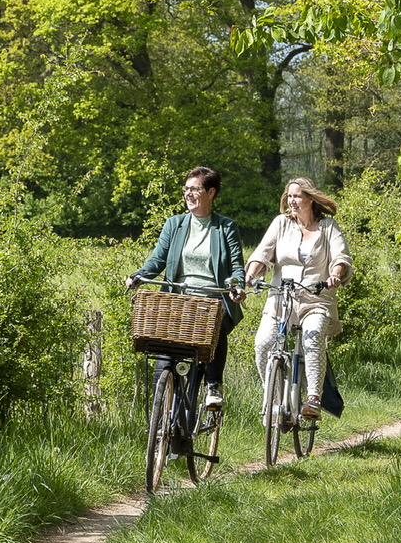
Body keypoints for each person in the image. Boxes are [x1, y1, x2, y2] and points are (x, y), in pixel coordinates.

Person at [127, 166, 246, 414]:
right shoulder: (175, 225)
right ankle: (163, 420)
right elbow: (157, 260)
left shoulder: (225, 228)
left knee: (216, 322)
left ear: (211, 192)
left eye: (195, 189)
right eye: (186, 189)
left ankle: (213, 385)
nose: (189, 194)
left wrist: (236, 287)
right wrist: (139, 275)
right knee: (163, 360)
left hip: (212, 301)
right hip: (179, 302)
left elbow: (236, 266)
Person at [244, 179, 352, 423]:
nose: (291, 201)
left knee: (313, 338)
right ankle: (273, 399)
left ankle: (313, 399)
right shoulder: (281, 224)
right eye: (289, 196)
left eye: (297, 196)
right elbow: (263, 253)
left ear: (310, 199)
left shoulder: (328, 227)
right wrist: (251, 274)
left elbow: (341, 256)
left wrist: (335, 275)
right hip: (281, 300)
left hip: (316, 299)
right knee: (263, 344)